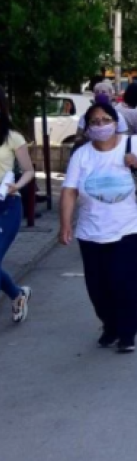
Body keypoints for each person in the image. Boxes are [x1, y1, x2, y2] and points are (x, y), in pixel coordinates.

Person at [59, 103, 137, 353]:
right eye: (94, 122)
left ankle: (127, 333)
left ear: (115, 121)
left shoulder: (133, 145)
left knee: (123, 279)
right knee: (97, 287)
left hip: (132, 228)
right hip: (91, 230)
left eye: (105, 120)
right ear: (87, 127)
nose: (100, 125)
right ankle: (111, 326)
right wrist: (65, 224)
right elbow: (69, 191)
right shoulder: (82, 155)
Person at [0, 86, 35, 324]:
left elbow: (29, 170)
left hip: (7, 205)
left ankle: (17, 294)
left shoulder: (13, 137)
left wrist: (17, 185)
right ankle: (18, 293)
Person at [74, 82, 128, 148]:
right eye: (97, 92)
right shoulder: (85, 116)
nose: (100, 94)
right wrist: (87, 137)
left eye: (103, 92)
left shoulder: (118, 116)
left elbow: (123, 138)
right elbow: (77, 138)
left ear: (111, 95)